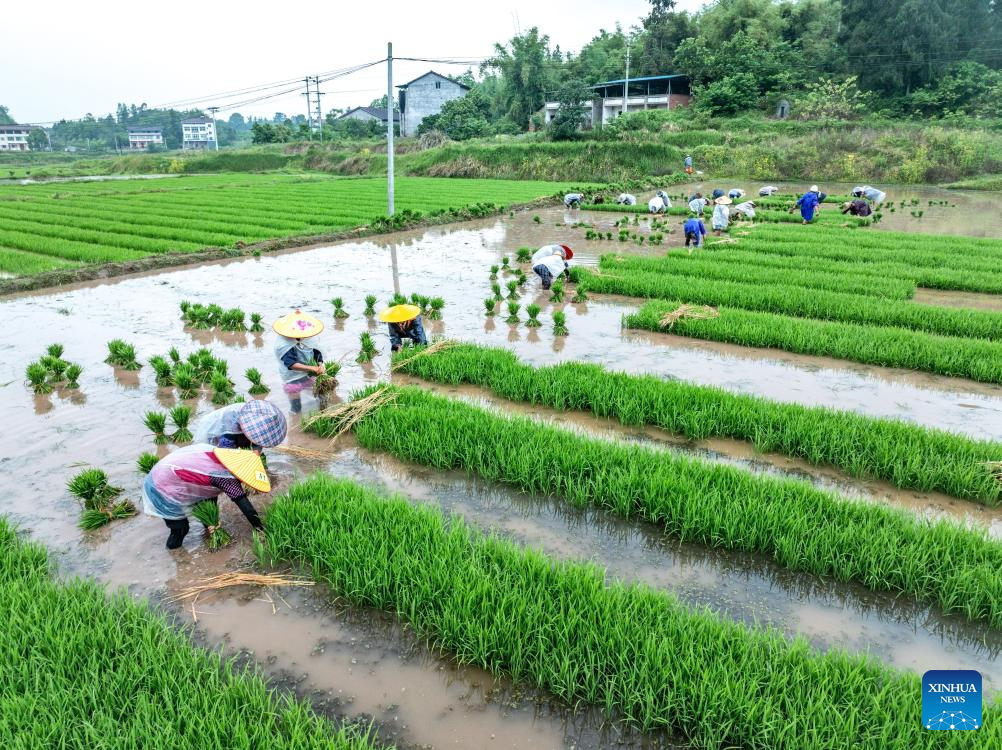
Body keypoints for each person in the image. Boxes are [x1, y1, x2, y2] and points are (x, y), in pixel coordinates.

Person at [143, 444, 269, 550]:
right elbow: (245, 505)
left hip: (165, 472)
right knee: (180, 529)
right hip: (160, 487)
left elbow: (209, 494)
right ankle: (175, 555)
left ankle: (208, 527)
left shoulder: (221, 453)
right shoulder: (226, 479)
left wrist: (211, 522)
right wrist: (261, 529)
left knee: (209, 501)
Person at [272, 309, 325, 414]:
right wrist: (313, 368)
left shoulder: (307, 338)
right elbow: (291, 364)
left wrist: (320, 364)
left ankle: (323, 408)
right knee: (294, 393)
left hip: (309, 372)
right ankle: (295, 412)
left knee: (320, 389)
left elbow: (316, 353)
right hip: (292, 375)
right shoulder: (283, 344)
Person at [193, 399, 288, 450]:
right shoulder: (231, 428)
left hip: (236, 430)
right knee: (214, 455)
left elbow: (258, 441)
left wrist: (256, 453)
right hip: (215, 427)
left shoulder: (260, 421)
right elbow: (227, 452)